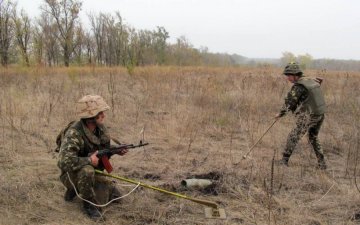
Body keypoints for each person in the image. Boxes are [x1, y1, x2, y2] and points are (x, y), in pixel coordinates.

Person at [57, 95, 126, 219]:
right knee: (87, 170)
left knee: (117, 196)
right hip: (71, 174)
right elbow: (63, 162)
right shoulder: (74, 133)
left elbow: (103, 149)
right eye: (100, 113)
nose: (103, 115)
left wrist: (115, 151)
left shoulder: (100, 128)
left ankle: (76, 190)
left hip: (93, 170)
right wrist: (89, 160)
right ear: (90, 117)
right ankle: (88, 206)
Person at [275, 62, 327, 169]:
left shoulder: (299, 86)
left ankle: (284, 161)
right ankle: (322, 164)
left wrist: (280, 113)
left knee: (293, 137)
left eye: (289, 75)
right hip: (320, 114)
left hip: (309, 116)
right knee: (313, 137)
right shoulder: (310, 81)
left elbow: (290, 103)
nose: (287, 78)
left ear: (296, 75)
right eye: (287, 75)